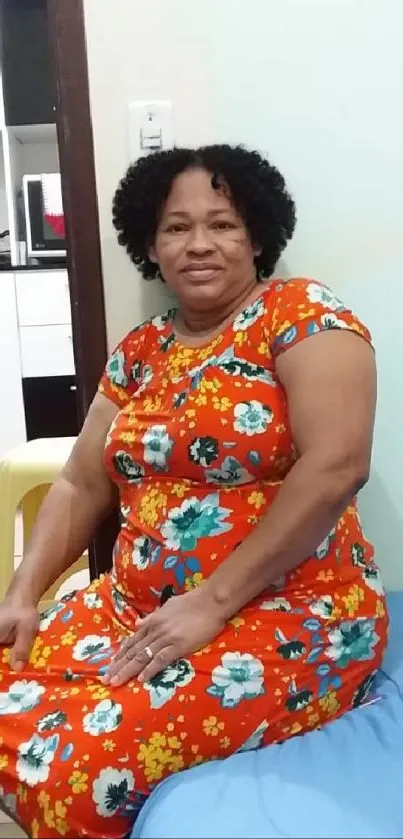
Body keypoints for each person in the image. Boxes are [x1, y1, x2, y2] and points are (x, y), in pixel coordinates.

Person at [0, 144, 388, 838]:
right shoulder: (142, 349)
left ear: (258, 234)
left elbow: (337, 464)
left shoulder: (300, 314)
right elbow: (81, 478)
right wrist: (24, 592)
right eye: (176, 227)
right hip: (131, 609)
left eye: (223, 223)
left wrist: (209, 604)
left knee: (78, 770)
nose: (198, 243)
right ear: (149, 243)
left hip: (283, 616)